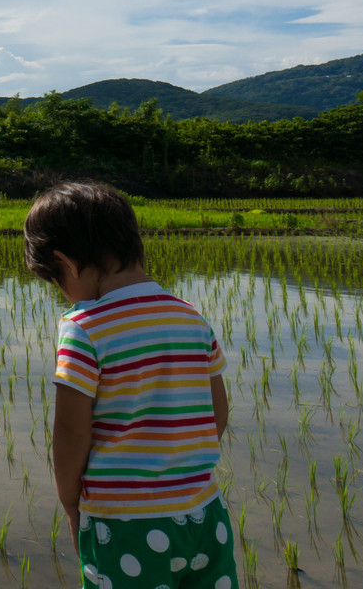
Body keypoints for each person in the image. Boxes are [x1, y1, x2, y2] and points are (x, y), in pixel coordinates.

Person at [24, 182, 237, 589]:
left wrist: (71, 502)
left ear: (65, 263)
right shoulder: (190, 317)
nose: (63, 295)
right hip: (205, 514)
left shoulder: (84, 327)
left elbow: (71, 432)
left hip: (125, 524)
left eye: (55, 281)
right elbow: (217, 413)